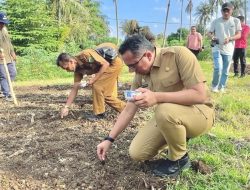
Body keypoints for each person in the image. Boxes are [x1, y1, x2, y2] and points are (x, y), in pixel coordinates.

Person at [97, 35, 215, 177]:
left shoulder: (179, 54)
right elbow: (129, 108)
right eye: (129, 67)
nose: (131, 71)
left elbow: (200, 95)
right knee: (137, 153)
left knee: (164, 109)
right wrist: (109, 139)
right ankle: (177, 134)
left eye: (133, 65)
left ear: (147, 55)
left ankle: (179, 160)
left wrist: (156, 97)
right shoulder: (141, 72)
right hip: (169, 117)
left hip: (200, 113)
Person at [57, 43, 126, 121]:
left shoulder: (85, 55)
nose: (67, 70)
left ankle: (100, 114)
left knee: (97, 86)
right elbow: (75, 88)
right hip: (108, 67)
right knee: (106, 94)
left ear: (71, 61)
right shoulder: (77, 71)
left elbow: (105, 64)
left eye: (66, 68)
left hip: (113, 64)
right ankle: (126, 109)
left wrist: (94, 79)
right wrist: (66, 107)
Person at [208, 2, 241, 93]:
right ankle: (214, 86)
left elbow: (239, 35)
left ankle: (221, 86)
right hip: (217, 47)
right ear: (221, 11)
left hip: (229, 49)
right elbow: (209, 32)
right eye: (224, 10)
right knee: (218, 68)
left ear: (231, 11)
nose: (226, 12)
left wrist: (230, 38)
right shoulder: (215, 21)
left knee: (225, 70)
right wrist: (212, 37)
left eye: (228, 10)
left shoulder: (236, 21)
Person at [0, 12, 17, 101]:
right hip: (1, 60)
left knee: (13, 73)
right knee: (4, 76)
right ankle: (6, 93)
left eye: (4, 23)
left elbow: (9, 44)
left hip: (9, 58)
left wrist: (13, 52)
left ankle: (3, 88)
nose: (3, 24)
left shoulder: (4, 32)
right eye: (1, 22)